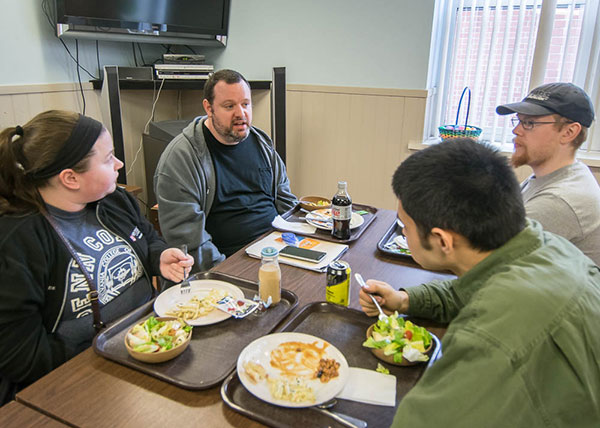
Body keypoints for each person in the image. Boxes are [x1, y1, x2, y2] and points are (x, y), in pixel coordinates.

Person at [359, 139, 600, 426]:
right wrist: (405, 300)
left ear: (442, 240)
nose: (404, 233)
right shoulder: (545, 247)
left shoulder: (492, 335)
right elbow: (471, 290)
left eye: (405, 226)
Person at [0, 110, 193, 405]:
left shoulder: (115, 201)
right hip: (79, 379)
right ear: (70, 178)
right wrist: (119, 347)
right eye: (108, 159)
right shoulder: (18, 241)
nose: (119, 164)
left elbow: (147, 238)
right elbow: (22, 357)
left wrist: (159, 256)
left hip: (152, 347)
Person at [154, 69, 297, 272]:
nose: (241, 113)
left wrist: (302, 239)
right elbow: (189, 240)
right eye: (229, 106)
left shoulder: (261, 142)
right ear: (209, 108)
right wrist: (228, 272)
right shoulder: (181, 157)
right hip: (229, 264)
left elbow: (286, 201)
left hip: (278, 250)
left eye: (246, 104)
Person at [496, 82, 600, 265]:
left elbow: (485, 260)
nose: (516, 130)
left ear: (569, 132)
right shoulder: (557, 176)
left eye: (529, 123)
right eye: (519, 121)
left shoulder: (560, 200)